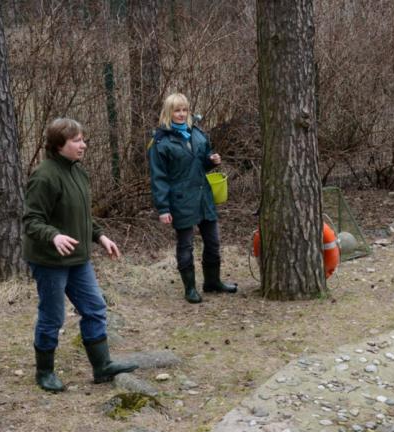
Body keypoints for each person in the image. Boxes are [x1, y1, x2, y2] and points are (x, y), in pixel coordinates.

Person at [23, 117, 137, 392]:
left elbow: (82, 216)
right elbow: (31, 220)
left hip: (78, 259)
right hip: (50, 261)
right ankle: (45, 372)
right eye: (77, 140)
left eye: (83, 139)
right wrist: (54, 235)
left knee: (95, 308)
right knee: (52, 316)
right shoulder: (44, 176)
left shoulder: (78, 172)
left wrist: (100, 236)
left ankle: (102, 366)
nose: (83, 145)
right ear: (59, 144)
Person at [148, 92, 237, 303]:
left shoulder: (197, 134)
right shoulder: (160, 142)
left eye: (184, 110)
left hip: (203, 196)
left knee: (213, 241)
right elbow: (158, 178)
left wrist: (212, 161)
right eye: (176, 110)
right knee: (186, 244)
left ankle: (212, 282)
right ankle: (190, 288)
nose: (181, 114)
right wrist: (163, 209)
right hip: (180, 199)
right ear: (168, 113)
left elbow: (202, 163)